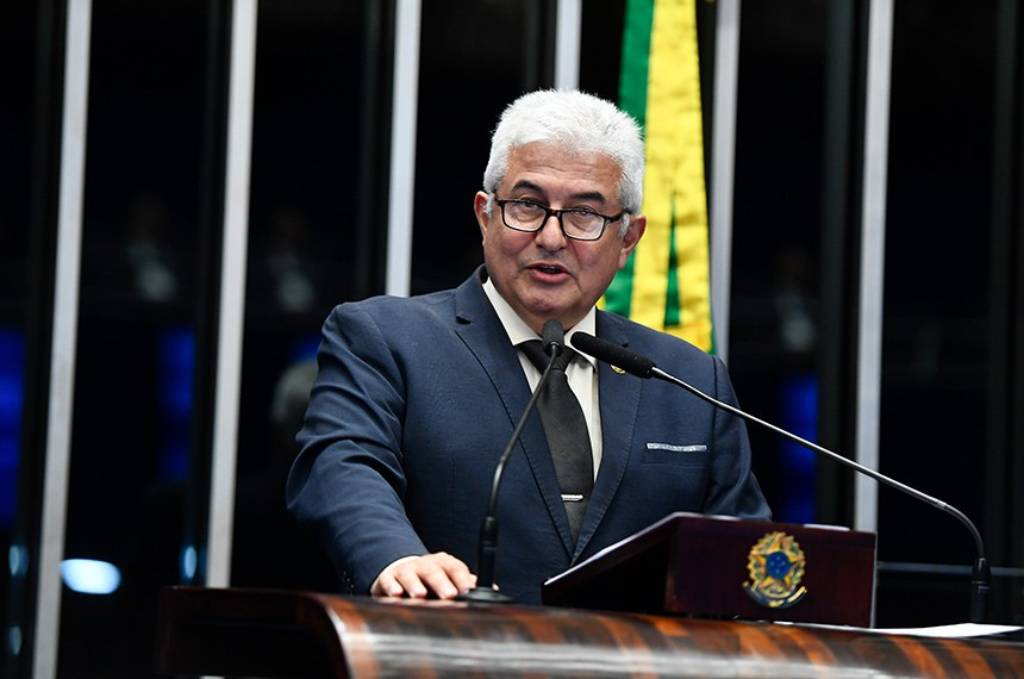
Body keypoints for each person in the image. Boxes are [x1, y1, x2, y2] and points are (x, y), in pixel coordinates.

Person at [287, 90, 770, 604]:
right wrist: (395, 557)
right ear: (485, 213)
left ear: (628, 239)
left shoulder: (690, 381)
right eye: (527, 205)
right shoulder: (387, 338)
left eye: (585, 214)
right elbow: (341, 464)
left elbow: (745, 556)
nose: (552, 237)